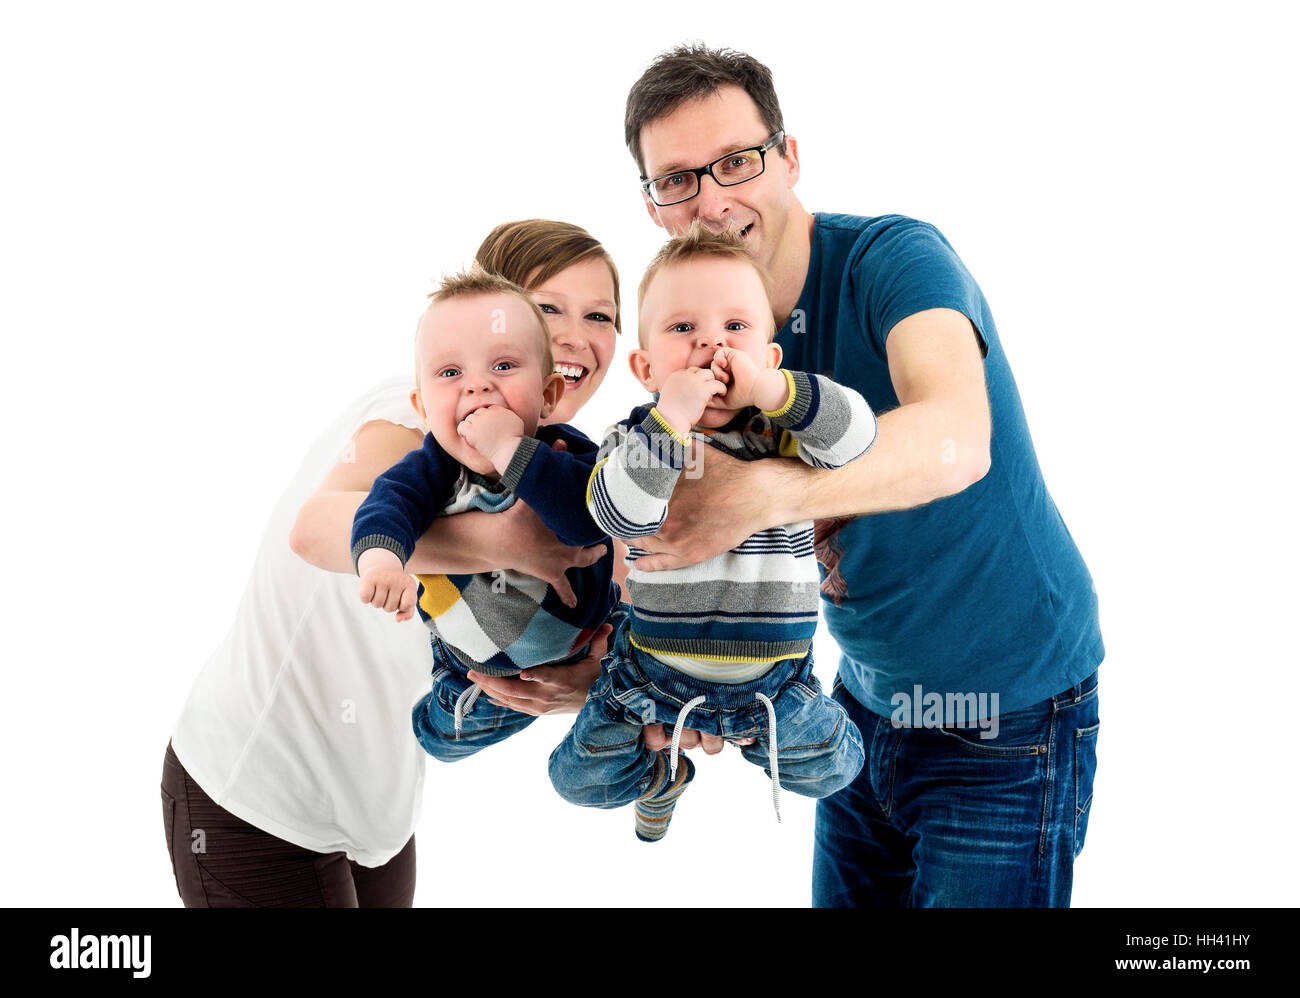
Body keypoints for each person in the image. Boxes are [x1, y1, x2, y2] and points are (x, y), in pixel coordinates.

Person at [546, 43, 1100, 906]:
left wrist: (766, 496)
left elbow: (960, 438)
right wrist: (641, 674)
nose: (713, 199)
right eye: (678, 179)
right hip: (858, 700)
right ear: (653, 205)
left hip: (1009, 713)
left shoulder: (893, 262)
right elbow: (652, 522)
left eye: (736, 160)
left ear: (789, 157)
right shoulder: (690, 334)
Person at [161, 219, 623, 907]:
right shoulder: (418, 420)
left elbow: (604, 599)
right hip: (253, 791)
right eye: (549, 307)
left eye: (601, 315)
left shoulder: (563, 466)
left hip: (375, 809)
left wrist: (590, 679)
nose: (576, 335)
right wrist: (505, 543)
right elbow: (314, 528)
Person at [549, 224, 876, 842]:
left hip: (775, 684)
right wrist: (671, 420)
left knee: (839, 767)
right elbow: (619, 515)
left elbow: (858, 440)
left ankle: (761, 746)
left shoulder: (784, 437)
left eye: (736, 328)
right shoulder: (635, 440)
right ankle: (656, 781)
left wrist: (776, 393)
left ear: (771, 356)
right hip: (647, 677)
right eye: (682, 329)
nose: (710, 344)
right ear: (645, 367)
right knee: (578, 779)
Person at [351, 267, 619, 758]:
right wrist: (382, 562)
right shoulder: (431, 466)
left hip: (588, 646)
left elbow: (585, 522)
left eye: (503, 366)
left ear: (549, 394)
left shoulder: (569, 452)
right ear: (423, 405)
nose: (477, 388)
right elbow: (386, 506)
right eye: (450, 374)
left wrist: (511, 450)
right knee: (439, 738)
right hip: (469, 665)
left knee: (627, 714)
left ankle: (647, 768)